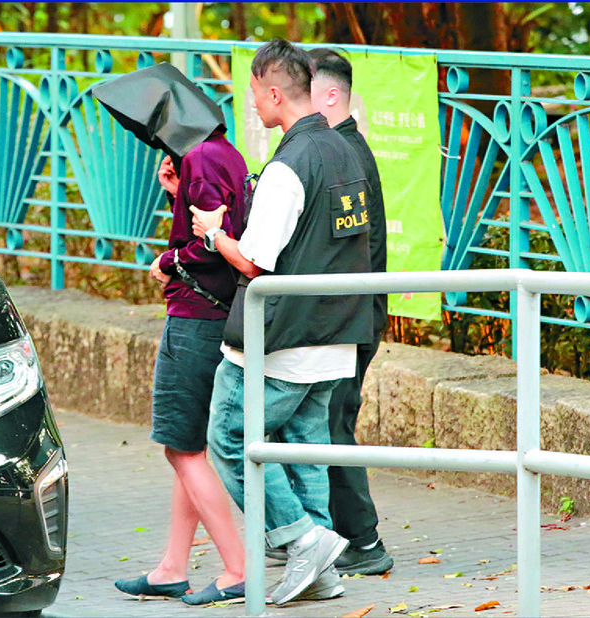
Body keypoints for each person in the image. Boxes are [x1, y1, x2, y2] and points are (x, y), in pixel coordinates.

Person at [189, 38, 374, 606]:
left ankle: (302, 538)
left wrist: (214, 234)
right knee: (303, 444)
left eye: (253, 94)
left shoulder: (287, 166)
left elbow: (254, 260)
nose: (253, 106)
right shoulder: (347, 149)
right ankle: (322, 572)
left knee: (228, 436)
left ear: (273, 91)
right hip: (337, 335)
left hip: (282, 342)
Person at [113, 130, 250, 605]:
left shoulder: (200, 157)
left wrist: (169, 259)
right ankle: (172, 567)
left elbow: (209, 244)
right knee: (188, 448)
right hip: (215, 317)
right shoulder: (223, 154)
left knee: (181, 450)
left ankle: (238, 568)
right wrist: (177, 191)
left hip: (195, 318)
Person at [307, 47, 393, 576]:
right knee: (323, 422)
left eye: (305, 89)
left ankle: (364, 542)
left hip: (351, 317)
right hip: (350, 314)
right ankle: (326, 535)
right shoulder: (340, 149)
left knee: (333, 422)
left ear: (331, 95)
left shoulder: (345, 155)